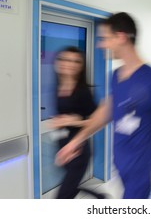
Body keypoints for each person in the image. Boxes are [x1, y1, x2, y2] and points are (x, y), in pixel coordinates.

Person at [53, 12, 151, 199]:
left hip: (144, 167)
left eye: (104, 39)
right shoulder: (115, 76)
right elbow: (104, 113)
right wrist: (76, 141)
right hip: (123, 163)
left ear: (121, 37)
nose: (100, 44)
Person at [52, 46, 101, 199]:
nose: (70, 64)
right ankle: (100, 197)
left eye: (75, 61)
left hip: (78, 151)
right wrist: (59, 121)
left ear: (80, 66)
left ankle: (101, 198)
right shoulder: (59, 87)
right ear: (58, 62)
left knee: (62, 197)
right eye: (65, 59)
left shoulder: (82, 91)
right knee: (70, 189)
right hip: (63, 146)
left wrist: (75, 121)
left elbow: (96, 120)